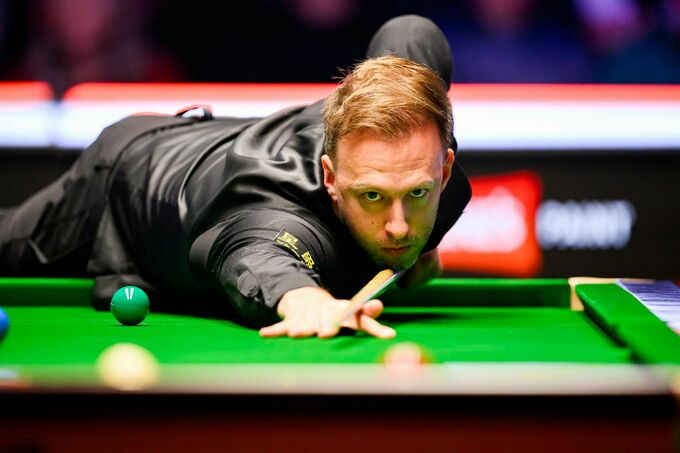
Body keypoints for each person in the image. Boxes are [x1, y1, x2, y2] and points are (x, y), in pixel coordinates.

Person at [0, 15, 471, 339]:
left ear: (444, 167)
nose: (398, 227)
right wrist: (304, 300)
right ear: (330, 178)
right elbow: (255, 258)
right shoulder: (277, 215)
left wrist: (418, 247)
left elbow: (410, 31)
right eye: (371, 195)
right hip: (132, 172)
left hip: (219, 148)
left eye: (417, 192)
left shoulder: (416, 123)